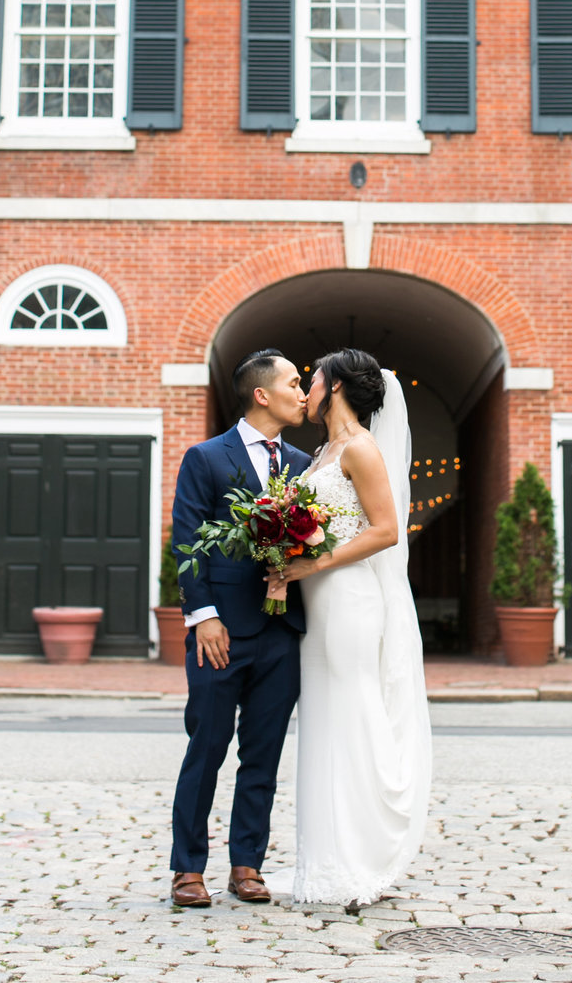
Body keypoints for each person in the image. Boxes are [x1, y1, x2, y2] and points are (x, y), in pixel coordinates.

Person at [275, 347, 431, 906]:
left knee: (351, 714)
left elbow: (387, 530)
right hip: (318, 604)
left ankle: (364, 855)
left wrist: (311, 564)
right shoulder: (324, 451)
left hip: (348, 600)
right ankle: (326, 857)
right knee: (322, 720)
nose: (307, 389)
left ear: (336, 387)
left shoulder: (362, 449)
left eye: (313, 379)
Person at [168, 347, 311, 908]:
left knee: (264, 754)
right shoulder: (206, 457)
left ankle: (247, 865)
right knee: (206, 747)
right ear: (261, 394)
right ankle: (187, 869)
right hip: (220, 631)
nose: (303, 393)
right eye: (295, 383)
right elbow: (187, 540)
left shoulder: (302, 464)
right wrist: (203, 617)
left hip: (281, 632)